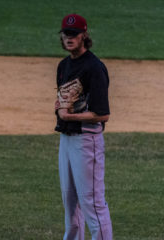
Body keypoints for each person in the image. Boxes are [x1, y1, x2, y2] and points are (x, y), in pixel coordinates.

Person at [55, 14, 113, 240]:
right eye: (66, 34)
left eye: (74, 34)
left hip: (87, 140)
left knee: (92, 203)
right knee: (70, 202)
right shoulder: (63, 66)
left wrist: (70, 116)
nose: (69, 38)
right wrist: (61, 109)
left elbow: (103, 114)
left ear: (84, 36)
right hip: (67, 140)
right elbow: (64, 103)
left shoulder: (94, 67)